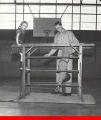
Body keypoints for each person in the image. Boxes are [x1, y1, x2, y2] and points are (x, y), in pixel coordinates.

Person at [44, 21, 79, 96]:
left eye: (59, 27)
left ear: (61, 26)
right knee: (59, 71)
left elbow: (76, 42)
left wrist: (72, 51)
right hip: (59, 52)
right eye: (56, 28)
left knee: (68, 71)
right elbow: (55, 47)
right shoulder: (56, 35)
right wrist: (49, 54)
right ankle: (58, 89)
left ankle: (68, 91)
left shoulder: (69, 33)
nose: (58, 29)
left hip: (68, 51)